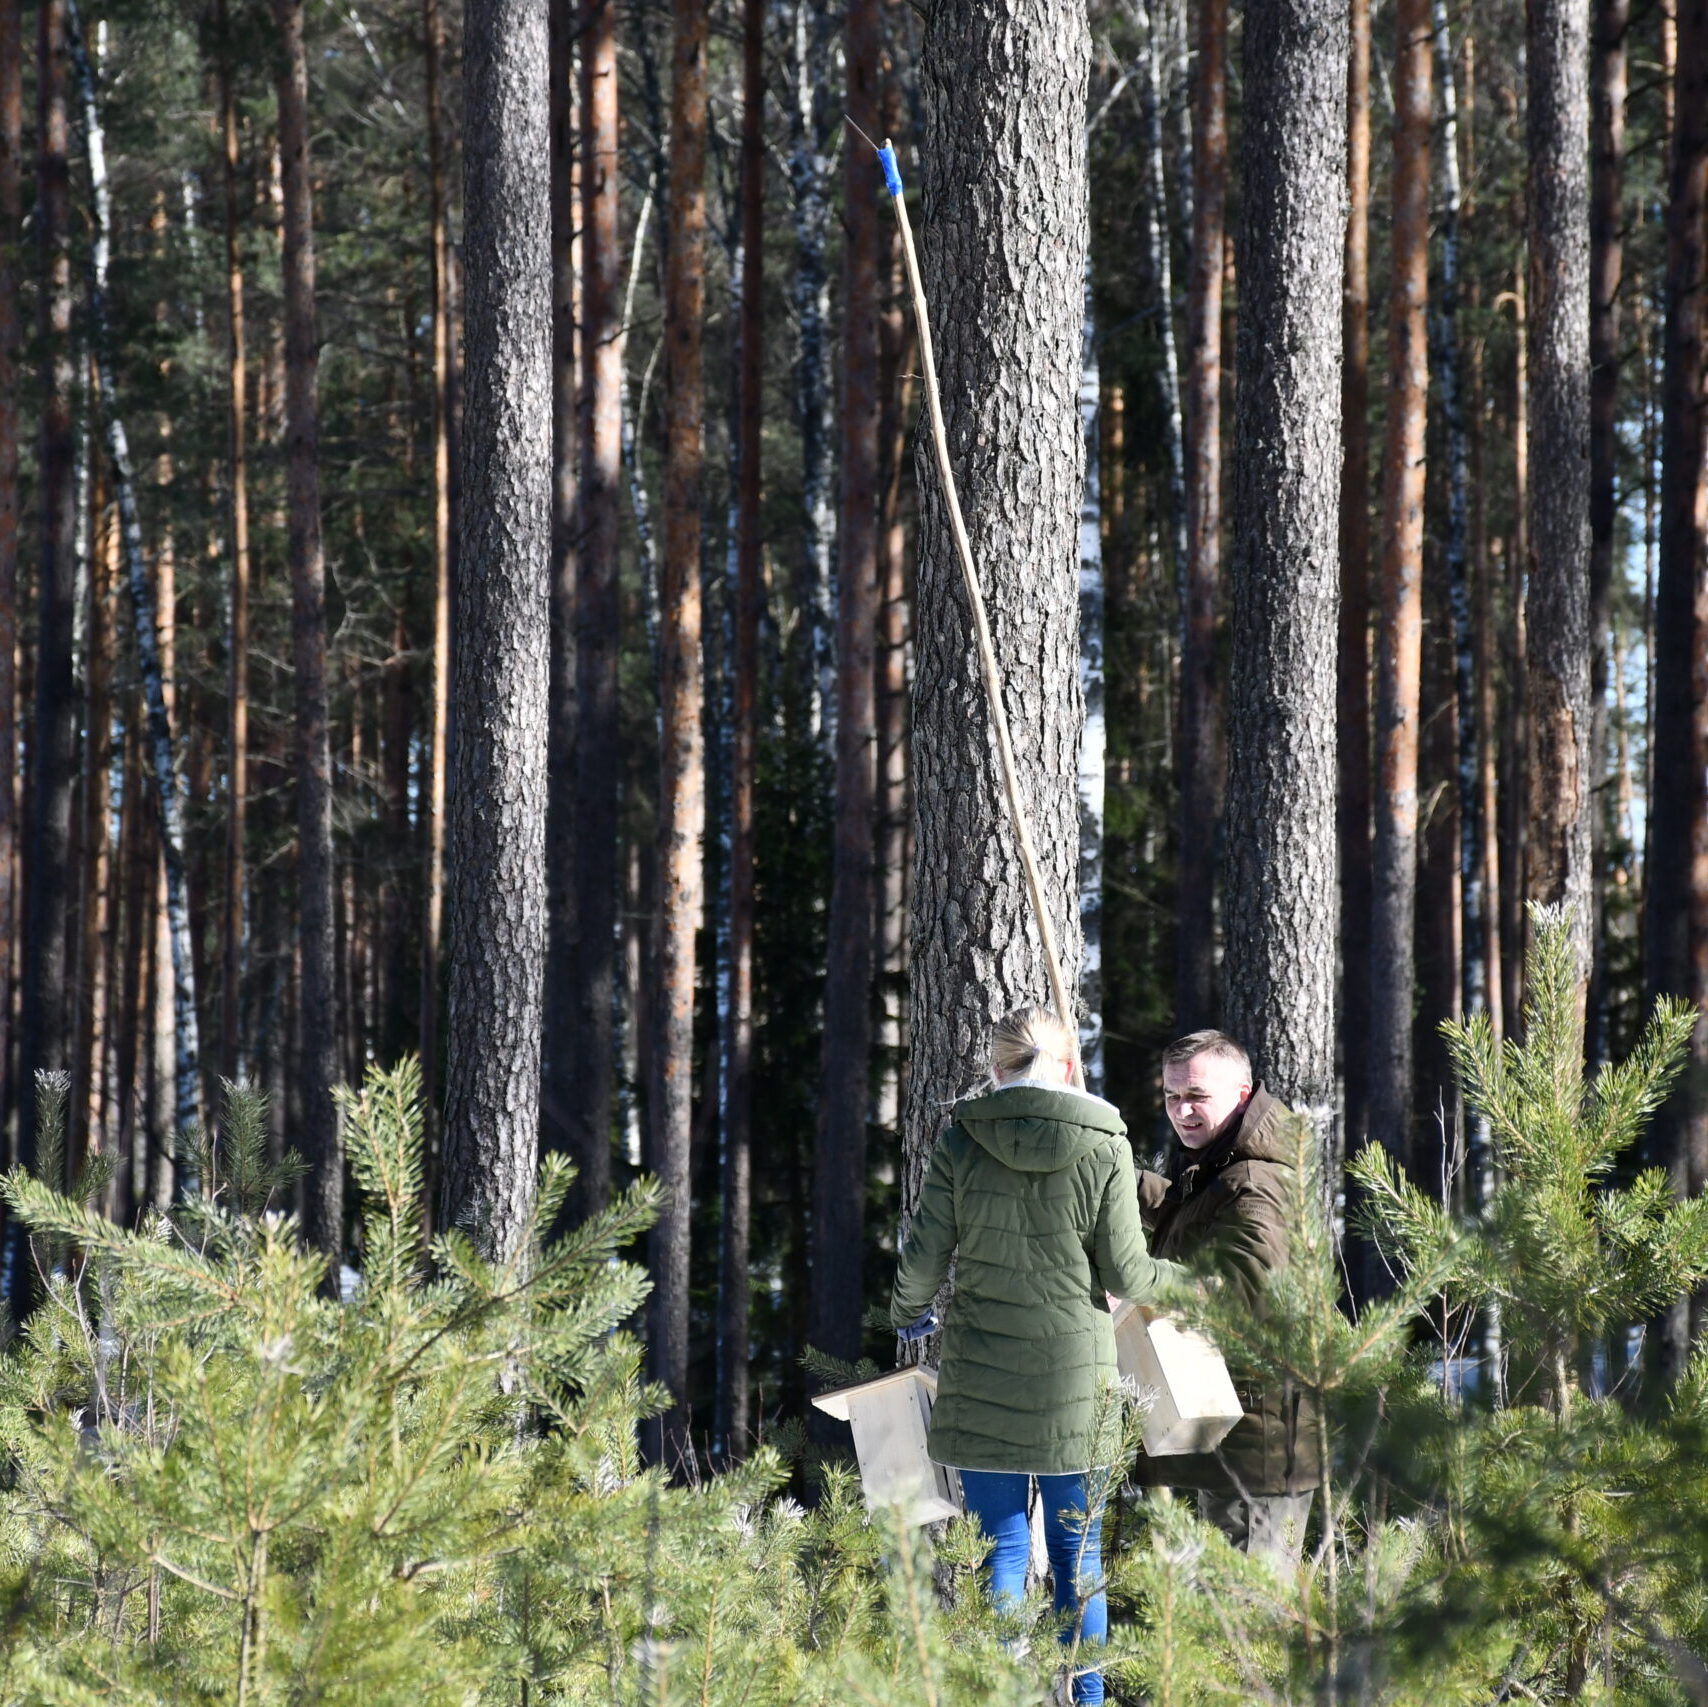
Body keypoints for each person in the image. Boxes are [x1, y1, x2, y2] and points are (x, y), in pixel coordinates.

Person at [892, 1005, 1186, 1705]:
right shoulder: (1104, 1138)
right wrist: (1193, 1285)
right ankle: (1086, 1699)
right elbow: (1127, 1273)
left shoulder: (962, 1137)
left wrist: (908, 1313)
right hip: (1075, 1388)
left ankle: (1003, 1695)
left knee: (1003, 1549)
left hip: (982, 1377)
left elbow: (925, 1252)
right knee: (1077, 1556)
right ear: (1065, 1062)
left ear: (996, 1067)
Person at [1135, 1029, 1322, 1564]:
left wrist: (1141, 1278)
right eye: (1173, 1096)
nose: (1182, 1110)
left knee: (1250, 1621)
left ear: (1242, 1094)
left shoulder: (1256, 1181)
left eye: (1197, 1096)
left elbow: (1246, 1288)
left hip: (1262, 1440)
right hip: (1237, 1427)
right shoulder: (1224, 1165)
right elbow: (1196, 1221)